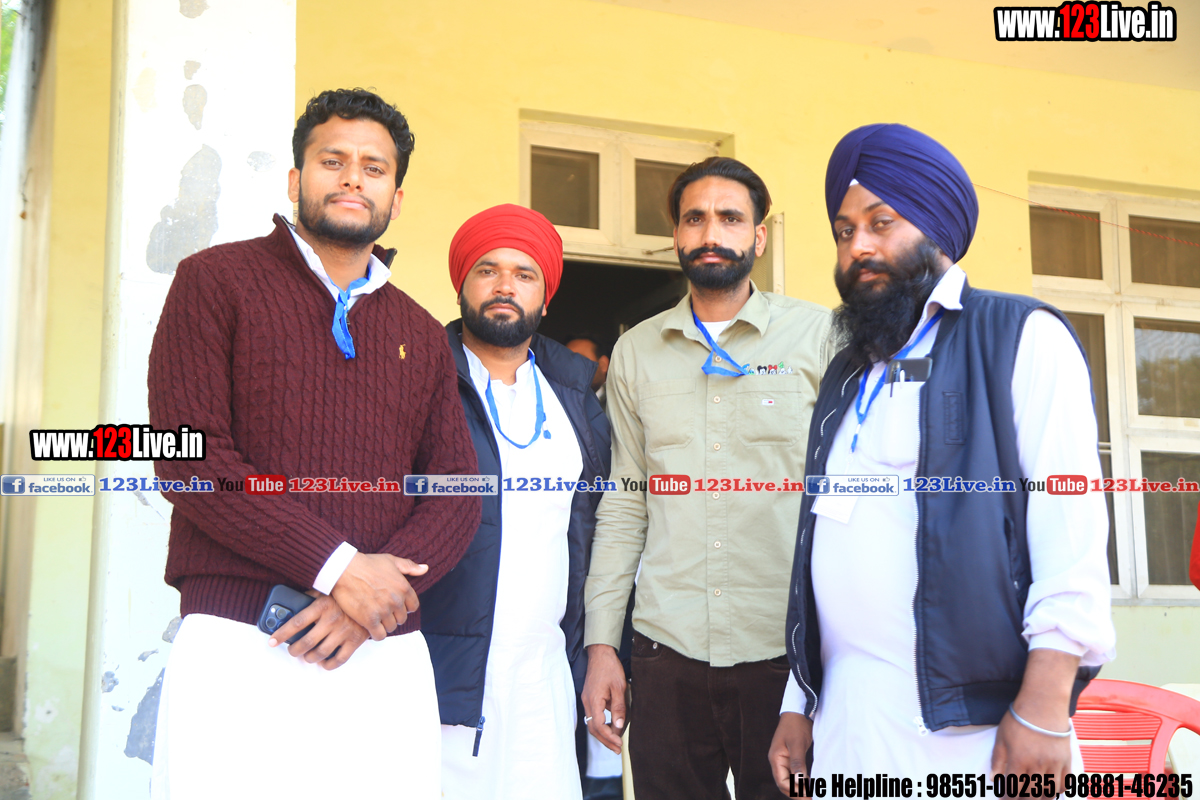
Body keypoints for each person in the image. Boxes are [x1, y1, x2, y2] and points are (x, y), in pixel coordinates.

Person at [146, 88, 481, 799]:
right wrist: (338, 569)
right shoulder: (214, 282)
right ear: (297, 179)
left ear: (396, 198)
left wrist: (372, 600)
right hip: (241, 640)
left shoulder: (421, 333)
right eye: (334, 161)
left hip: (380, 652)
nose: (354, 178)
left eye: (374, 168)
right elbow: (189, 457)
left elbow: (456, 490)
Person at [769, 124, 1116, 792]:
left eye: (881, 223)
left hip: (973, 733)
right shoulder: (847, 375)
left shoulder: (1020, 336)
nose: (859, 246)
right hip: (848, 724)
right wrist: (798, 702)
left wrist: (1045, 707)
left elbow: (1070, 535)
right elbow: (820, 549)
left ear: (936, 227)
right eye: (844, 231)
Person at [582, 157, 832, 799]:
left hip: (786, 654)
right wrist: (602, 644)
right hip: (666, 651)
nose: (711, 232)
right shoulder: (636, 351)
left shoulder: (820, 337)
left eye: (730, 218)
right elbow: (625, 504)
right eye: (695, 218)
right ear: (676, 235)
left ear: (759, 236)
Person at [422, 204, 611, 800]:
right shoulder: (421, 380)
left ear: (545, 297)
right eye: (488, 270)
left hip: (545, 675)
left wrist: (602, 651)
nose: (505, 285)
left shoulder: (574, 393)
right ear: (462, 285)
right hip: (440, 674)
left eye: (524, 274)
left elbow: (601, 528)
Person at [564, 334, 611, 409]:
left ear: (603, 365)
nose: (571, 367)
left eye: (579, 359)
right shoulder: (556, 403)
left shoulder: (619, 402)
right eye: (566, 362)